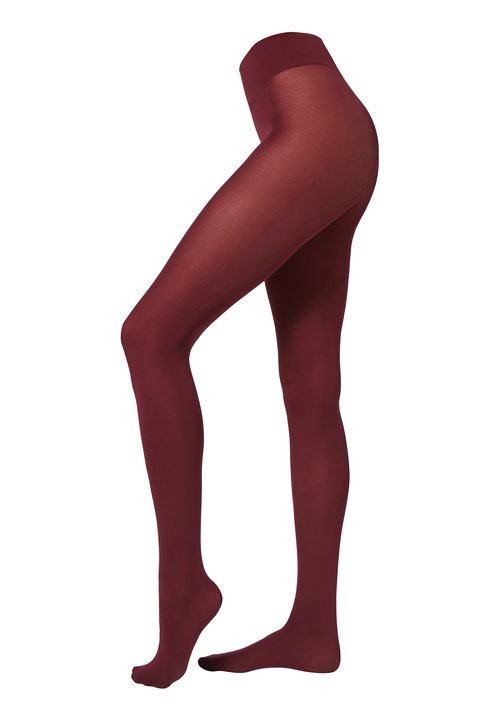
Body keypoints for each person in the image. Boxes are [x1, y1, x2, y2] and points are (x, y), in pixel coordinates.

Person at [121, 30, 379, 688]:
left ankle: (183, 588)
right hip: (338, 131)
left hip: (314, 135)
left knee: (150, 337)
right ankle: (314, 630)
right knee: (312, 393)